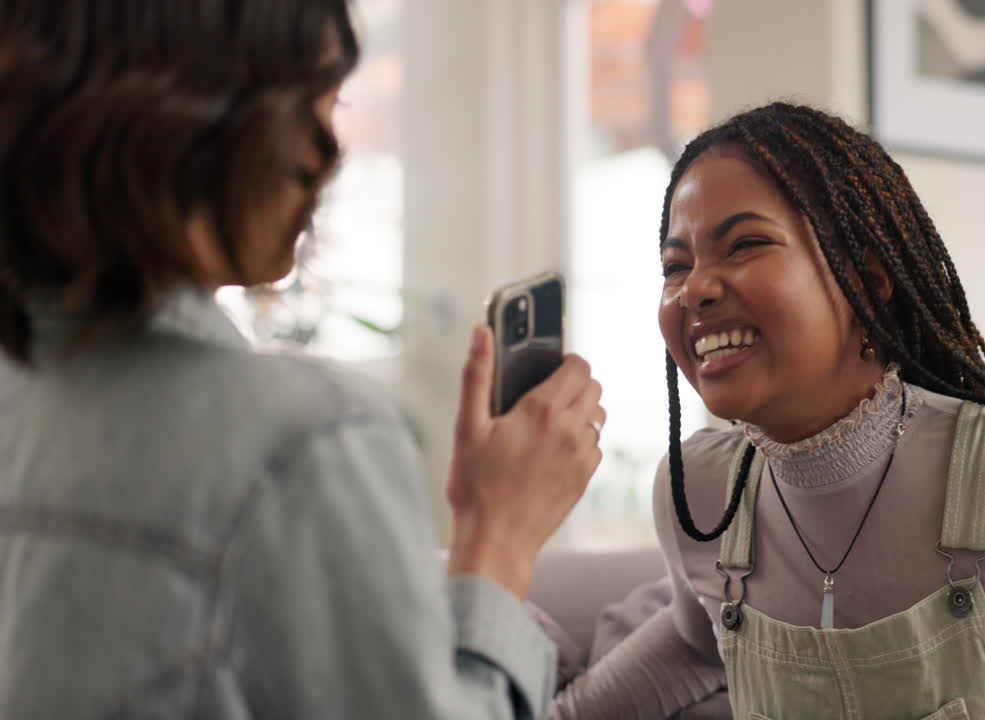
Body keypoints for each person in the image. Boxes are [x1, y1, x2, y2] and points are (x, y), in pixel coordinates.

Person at [550, 103, 985, 718]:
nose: (695, 289)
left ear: (869, 281)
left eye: (746, 245)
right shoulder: (700, 498)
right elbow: (691, 638)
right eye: (675, 266)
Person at [0, 2, 604, 718]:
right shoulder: (297, 440)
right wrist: (498, 534)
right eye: (308, 105)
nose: (328, 151)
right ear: (191, 116)